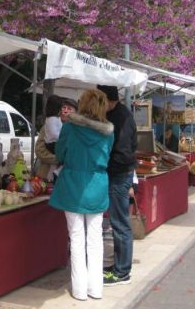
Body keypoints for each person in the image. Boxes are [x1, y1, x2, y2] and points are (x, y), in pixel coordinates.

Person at [49, 89, 114, 301]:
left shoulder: (69, 128)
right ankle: (96, 288)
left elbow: (60, 153)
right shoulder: (108, 133)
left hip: (72, 185)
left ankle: (79, 290)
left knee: (76, 237)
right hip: (97, 184)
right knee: (95, 238)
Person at [97, 85, 137, 287]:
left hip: (119, 175)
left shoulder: (120, 118)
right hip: (121, 174)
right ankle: (119, 267)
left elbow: (122, 153)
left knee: (120, 223)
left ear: (108, 101)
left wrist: (105, 165)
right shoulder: (121, 114)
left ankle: (122, 272)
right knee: (119, 223)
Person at [35, 96, 77, 181]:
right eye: (63, 107)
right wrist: (60, 159)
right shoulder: (48, 126)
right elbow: (39, 150)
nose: (65, 111)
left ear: (76, 113)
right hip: (47, 174)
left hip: (68, 178)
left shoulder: (77, 130)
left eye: (69, 109)